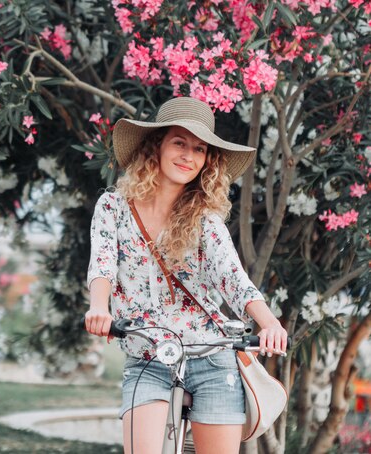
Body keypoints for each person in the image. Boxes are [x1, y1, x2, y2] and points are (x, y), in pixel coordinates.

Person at [84, 97, 288, 454]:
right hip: (147, 354)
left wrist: (269, 323)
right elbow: (102, 265)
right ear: (156, 146)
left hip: (210, 355)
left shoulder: (204, 219)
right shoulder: (113, 207)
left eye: (199, 149)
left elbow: (231, 275)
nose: (188, 156)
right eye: (179, 142)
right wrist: (99, 309)